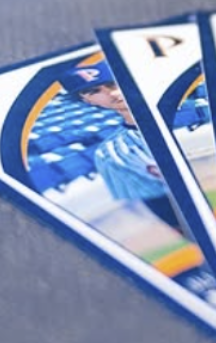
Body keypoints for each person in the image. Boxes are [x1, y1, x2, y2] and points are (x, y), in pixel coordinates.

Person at [58, 63, 179, 228]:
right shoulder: (110, 153)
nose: (113, 93)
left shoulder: (196, 111)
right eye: (94, 91)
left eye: (114, 83)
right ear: (86, 100)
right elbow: (159, 209)